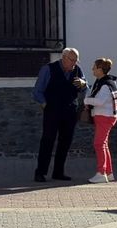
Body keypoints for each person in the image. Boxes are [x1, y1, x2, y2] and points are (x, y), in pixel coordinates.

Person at [32, 47, 85, 182]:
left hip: (70, 111)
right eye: (72, 60)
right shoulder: (48, 69)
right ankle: (40, 172)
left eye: (76, 60)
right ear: (64, 58)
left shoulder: (77, 70)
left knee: (65, 142)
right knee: (47, 141)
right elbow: (37, 91)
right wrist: (45, 104)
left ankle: (58, 172)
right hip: (52, 110)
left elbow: (85, 88)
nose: (74, 63)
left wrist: (84, 84)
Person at [85, 58, 117, 184]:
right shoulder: (106, 82)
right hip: (106, 116)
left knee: (99, 144)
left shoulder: (105, 85)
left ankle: (101, 173)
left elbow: (100, 101)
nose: (92, 69)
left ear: (100, 69)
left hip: (104, 117)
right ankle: (109, 173)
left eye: (94, 67)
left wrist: (86, 101)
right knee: (103, 144)